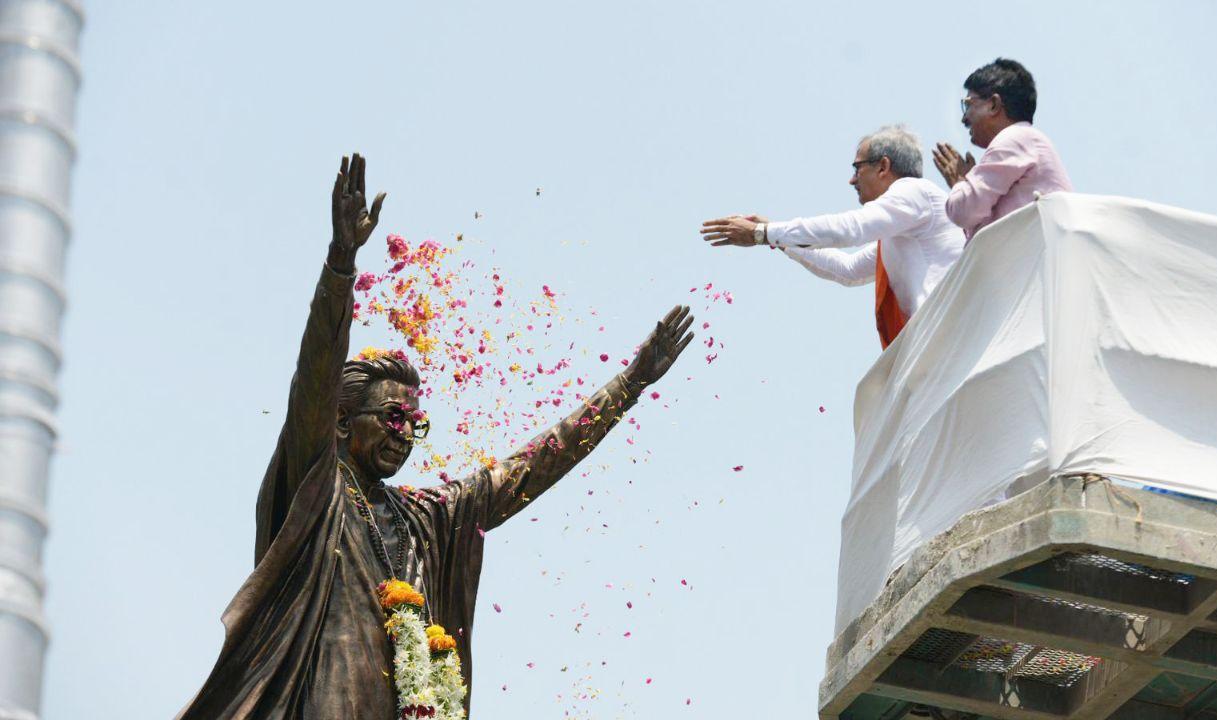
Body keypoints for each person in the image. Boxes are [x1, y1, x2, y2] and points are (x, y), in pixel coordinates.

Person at [178, 154, 695, 718]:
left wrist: (631, 382)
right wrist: (341, 262)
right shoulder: (316, 485)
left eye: (415, 424)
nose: (405, 435)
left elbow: (532, 465)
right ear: (342, 423)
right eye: (392, 419)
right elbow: (315, 377)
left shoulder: (427, 516)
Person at [701, 125, 964, 349]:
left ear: (883, 166)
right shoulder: (902, 225)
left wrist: (763, 233)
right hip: (939, 340)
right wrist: (773, 236)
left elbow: (849, 228)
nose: (851, 180)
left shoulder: (912, 191)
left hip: (948, 335)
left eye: (857, 167)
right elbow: (847, 270)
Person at [933, 58, 1073, 240]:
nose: (964, 118)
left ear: (993, 104)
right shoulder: (1025, 140)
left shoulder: (1014, 138)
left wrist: (959, 184)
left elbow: (963, 212)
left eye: (968, 104)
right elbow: (982, 238)